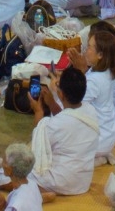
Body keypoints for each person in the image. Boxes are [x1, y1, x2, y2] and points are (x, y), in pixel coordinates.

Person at [27, 64, 103, 196]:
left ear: (60, 93)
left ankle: (41, 193)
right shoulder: (90, 110)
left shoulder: (55, 124)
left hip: (60, 182)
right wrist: (51, 103)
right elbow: (66, 118)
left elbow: (38, 140)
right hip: (82, 183)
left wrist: (38, 111)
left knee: (14, 173)